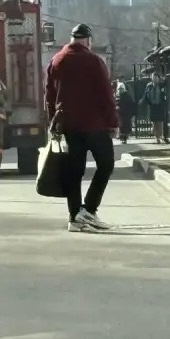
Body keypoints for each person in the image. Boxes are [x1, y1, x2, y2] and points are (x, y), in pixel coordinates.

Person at [45, 23, 119, 233]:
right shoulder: (94, 61)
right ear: (88, 40)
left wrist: (52, 122)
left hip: (68, 125)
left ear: (71, 39)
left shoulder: (56, 60)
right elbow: (106, 94)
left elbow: (49, 96)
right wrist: (113, 122)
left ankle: (74, 216)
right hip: (94, 124)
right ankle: (90, 209)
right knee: (106, 165)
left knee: (74, 172)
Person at [141, 74, 166, 144]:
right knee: (154, 122)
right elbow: (145, 94)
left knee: (160, 121)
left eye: (156, 78)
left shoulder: (161, 85)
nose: (154, 79)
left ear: (158, 78)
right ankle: (157, 137)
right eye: (153, 78)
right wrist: (143, 100)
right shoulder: (149, 86)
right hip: (152, 106)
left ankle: (161, 135)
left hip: (160, 105)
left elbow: (165, 88)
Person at [115, 79, 136, 144]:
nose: (120, 90)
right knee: (121, 126)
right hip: (121, 114)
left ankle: (125, 138)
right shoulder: (118, 96)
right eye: (119, 89)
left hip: (126, 114)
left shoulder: (127, 96)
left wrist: (132, 113)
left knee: (125, 126)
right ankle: (122, 138)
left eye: (121, 89)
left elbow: (131, 105)